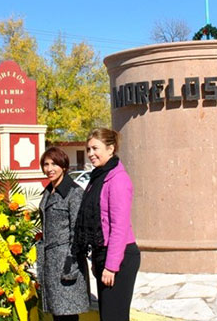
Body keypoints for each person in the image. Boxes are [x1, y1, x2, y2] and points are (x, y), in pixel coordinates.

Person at [74, 128, 140, 321]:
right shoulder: (98, 177)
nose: (90, 154)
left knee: (114, 316)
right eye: (88, 149)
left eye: (95, 148)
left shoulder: (118, 179)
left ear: (110, 149)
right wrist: (97, 260)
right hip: (103, 253)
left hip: (120, 257)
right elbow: (98, 225)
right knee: (108, 315)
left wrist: (111, 266)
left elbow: (119, 227)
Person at [36, 146, 89, 321]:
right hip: (50, 262)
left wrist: (70, 264)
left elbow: (78, 231)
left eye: (54, 164)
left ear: (64, 166)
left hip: (65, 262)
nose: (49, 169)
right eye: (46, 164)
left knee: (67, 314)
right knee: (58, 314)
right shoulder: (48, 191)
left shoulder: (73, 193)